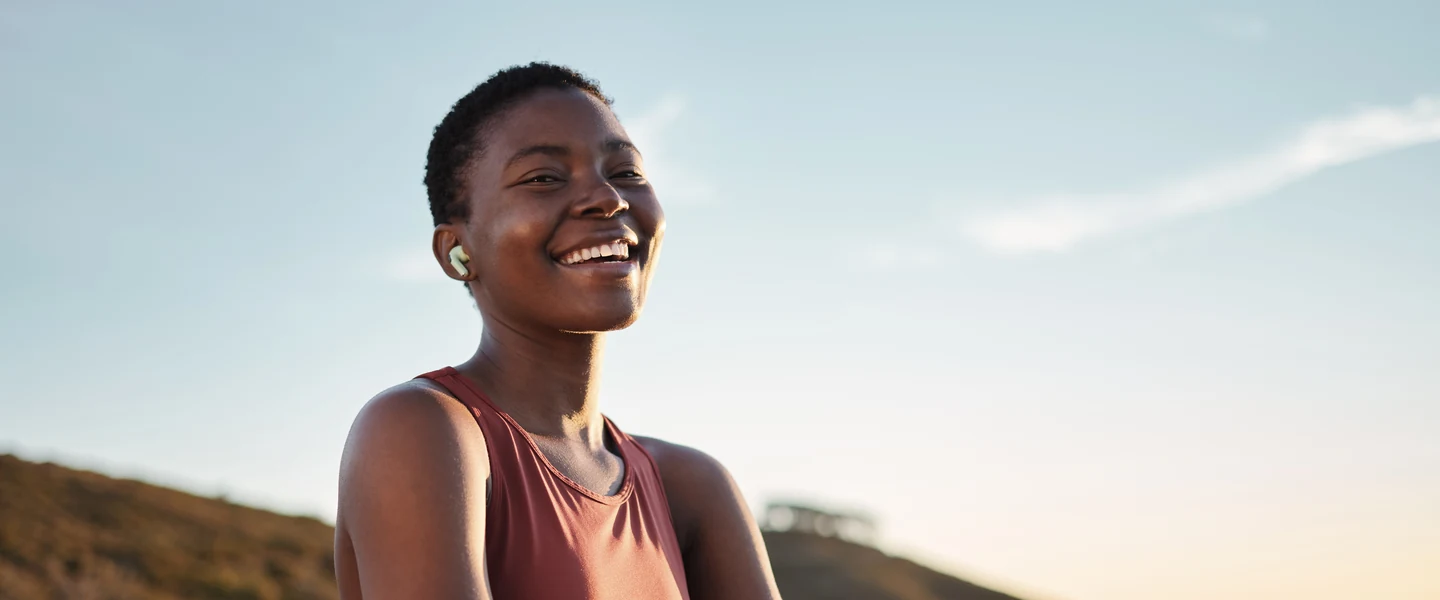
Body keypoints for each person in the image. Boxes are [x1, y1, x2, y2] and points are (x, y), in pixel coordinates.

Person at [332, 63, 782, 599]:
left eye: (627, 172)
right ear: (458, 251)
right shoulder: (424, 430)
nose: (608, 198)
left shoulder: (692, 488)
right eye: (544, 177)